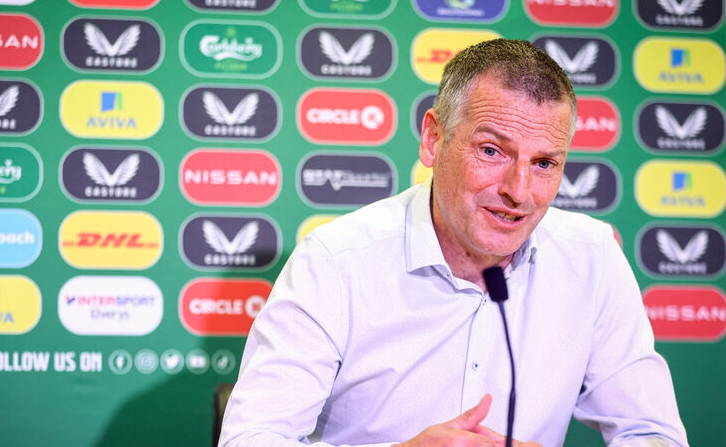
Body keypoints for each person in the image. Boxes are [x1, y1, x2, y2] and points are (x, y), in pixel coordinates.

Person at [218, 39, 688, 447]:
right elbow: (250, 439)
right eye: (492, 151)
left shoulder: (592, 258)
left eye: (544, 163)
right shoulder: (335, 263)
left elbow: (653, 433)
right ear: (433, 138)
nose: (519, 191)